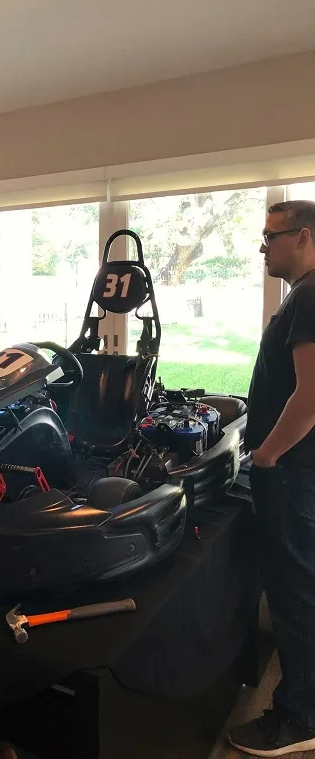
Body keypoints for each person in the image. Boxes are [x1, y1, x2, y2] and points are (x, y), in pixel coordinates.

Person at [227, 200, 315, 757]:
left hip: (291, 475)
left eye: (270, 237)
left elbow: (310, 396)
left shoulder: (309, 297)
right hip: (295, 473)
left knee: (295, 595)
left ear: (303, 236)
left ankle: (298, 720)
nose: (263, 248)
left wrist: (266, 456)